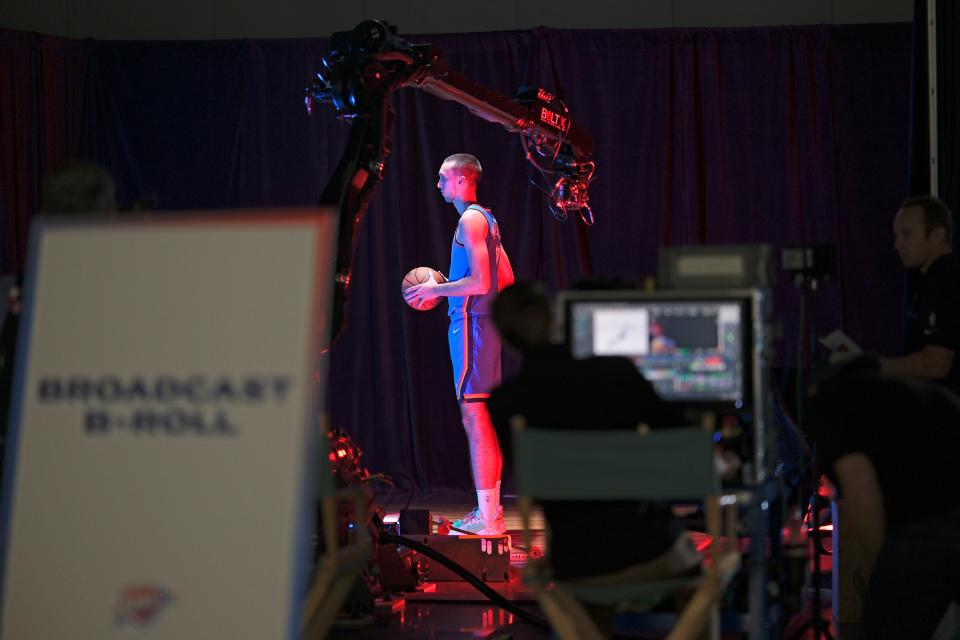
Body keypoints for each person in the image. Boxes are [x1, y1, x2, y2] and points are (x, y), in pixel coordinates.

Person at [485, 282, 701, 583]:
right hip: (647, 551)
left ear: (505, 338)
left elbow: (536, 479)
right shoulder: (616, 374)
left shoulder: (503, 403)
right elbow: (683, 441)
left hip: (571, 563)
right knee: (706, 569)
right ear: (557, 320)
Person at [807, 356, 960, 639]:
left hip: (925, 527)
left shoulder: (830, 400)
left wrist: (882, 561)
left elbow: (860, 482)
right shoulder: (925, 396)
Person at [402, 153, 514, 535]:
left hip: (472, 328)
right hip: (485, 326)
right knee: (480, 416)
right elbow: (506, 279)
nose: (438, 185)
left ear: (463, 180)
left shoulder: (469, 220)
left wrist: (440, 288)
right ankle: (490, 511)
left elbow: (482, 282)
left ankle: (488, 517)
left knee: (475, 418)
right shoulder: (487, 218)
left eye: (443, 178)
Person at [883, 195, 960, 393]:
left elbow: (935, 365)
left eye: (907, 234)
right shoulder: (935, 278)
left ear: (937, 235)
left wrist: (874, 366)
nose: (897, 244)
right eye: (896, 235)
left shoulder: (944, 280)